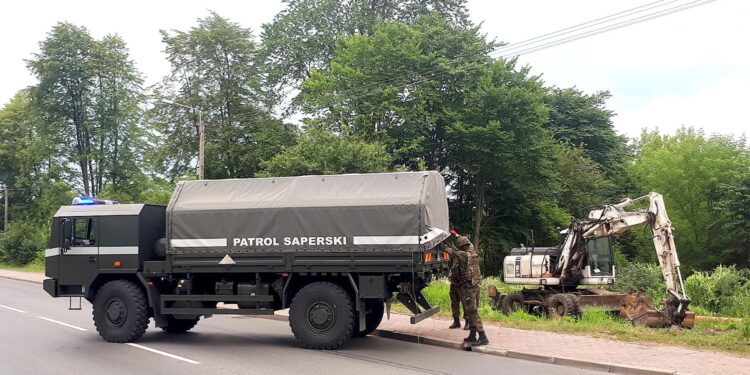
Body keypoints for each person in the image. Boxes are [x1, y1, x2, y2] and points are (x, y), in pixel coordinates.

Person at [452, 235, 489, 346]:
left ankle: (483, 337)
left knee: (472, 312)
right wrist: (457, 235)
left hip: (469, 289)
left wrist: (440, 243)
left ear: (462, 247)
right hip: (475, 286)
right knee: (469, 311)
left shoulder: (463, 255)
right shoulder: (472, 252)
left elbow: (450, 251)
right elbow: (468, 244)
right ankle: (472, 335)